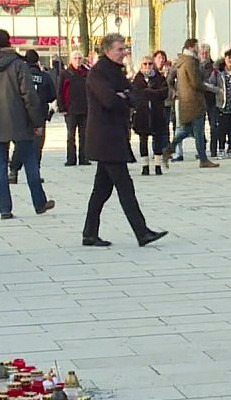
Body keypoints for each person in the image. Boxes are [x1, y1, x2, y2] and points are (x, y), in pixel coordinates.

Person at [80, 34, 167, 249]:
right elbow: (109, 100)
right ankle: (141, 231)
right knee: (125, 186)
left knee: (101, 190)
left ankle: (89, 233)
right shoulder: (98, 73)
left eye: (125, 48)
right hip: (105, 138)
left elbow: (134, 95)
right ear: (108, 50)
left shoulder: (116, 72)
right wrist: (122, 97)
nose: (124, 52)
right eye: (120, 49)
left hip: (115, 135)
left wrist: (125, 96)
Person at [0, 29, 53, 220]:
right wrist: (37, 121)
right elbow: (29, 94)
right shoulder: (18, 64)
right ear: (9, 42)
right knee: (29, 161)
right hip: (19, 119)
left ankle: (5, 208)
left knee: (0, 165)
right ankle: (39, 202)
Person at [165, 39, 218, 168]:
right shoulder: (191, 62)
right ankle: (203, 159)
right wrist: (213, 89)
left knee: (188, 130)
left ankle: (169, 148)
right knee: (198, 131)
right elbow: (196, 82)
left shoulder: (180, 61)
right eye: (197, 46)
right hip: (194, 101)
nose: (198, 48)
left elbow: (169, 80)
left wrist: (176, 92)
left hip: (185, 100)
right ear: (191, 47)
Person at [12, 49, 57, 185]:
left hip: (21, 114)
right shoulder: (45, 76)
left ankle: (13, 171)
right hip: (39, 115)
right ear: (38, 61)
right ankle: (34, 174)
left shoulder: (19, 75)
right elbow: (52, 96)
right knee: (37, 145)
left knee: (21, 144)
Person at [132, 53, 169, 175]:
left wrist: (149, 93)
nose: (147, 66)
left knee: (157, 138)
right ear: (141, 66)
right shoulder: (137, 79)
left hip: (156, 112)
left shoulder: (159, 78)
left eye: (150, 64)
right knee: (143, 139)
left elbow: (164, 93)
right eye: (145, 64)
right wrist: (151, 93)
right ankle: (145, 165)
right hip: (142, 113)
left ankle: (157, 165)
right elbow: (136, 95)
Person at [59, 51, 90, 166]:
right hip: (70, 109)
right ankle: (71, 158)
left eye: (79, 58)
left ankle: (84, 158)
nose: (77, 60)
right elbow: (60, 91)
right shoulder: (65, 73)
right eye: (75, 58)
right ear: (71, 60)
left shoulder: (87, 73)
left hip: (85, 108)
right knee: (70, 135)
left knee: (84, 135)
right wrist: (62, 107)